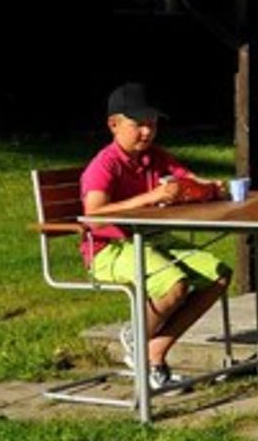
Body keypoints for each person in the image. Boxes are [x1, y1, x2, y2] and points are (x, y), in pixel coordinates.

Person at [80, 82, 233, 389]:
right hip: (110, 249)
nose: (147, 132)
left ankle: (154, 349)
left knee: (218, 274)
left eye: (152, 124)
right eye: (139, 125)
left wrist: (210, 188)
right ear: (114, 125)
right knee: (175, 285)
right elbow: (93, 213)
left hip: (153, 240)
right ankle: (135, 334)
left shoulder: (156, 156)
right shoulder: (105, 164)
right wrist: (150, 198)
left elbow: (187, 179)